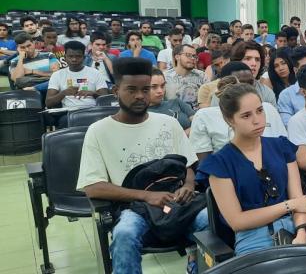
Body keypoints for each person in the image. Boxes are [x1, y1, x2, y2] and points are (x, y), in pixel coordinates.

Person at [75, 58, 207, 274]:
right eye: (132, 90)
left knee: (211, 221)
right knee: (125, 234)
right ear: (116, 90)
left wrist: (189, 185)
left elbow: (188, 166)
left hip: (177, 203)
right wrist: (146, 196)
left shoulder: (169, 123)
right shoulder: (99, 131)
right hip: (135, 208)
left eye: (145, 89)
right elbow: (93, 186)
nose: (140, 95)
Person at [196, 79, 306, 255]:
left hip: (295, 229)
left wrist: (301, 232)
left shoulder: (281, 147)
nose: (257, 120)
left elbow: (301, 203)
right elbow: (237, 221)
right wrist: (289, 205)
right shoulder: (219, 164)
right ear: (230, 119)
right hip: (252, 239)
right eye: (246, 115)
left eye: (260, 111)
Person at [190, 62, 286, 161]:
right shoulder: (205, 116)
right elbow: (204, 164)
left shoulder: (268, 108)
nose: (244, 87)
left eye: (250, 83)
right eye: (236, 83)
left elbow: (284, 151)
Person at [45, 41, 109, 125]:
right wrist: (64, 93)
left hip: (92, 111)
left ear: (84, 57)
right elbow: (48, 102)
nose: (74, 59)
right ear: (65, 57)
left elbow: (106, 99)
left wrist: (93, 93)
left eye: (78, 56)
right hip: (69, 114)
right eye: (70, 56)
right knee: (64, 121)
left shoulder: (95, 73)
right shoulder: (57, 75)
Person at [229, 41, 278, 107]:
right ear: (237, 62)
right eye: (248, 59)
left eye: (257, 60)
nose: (254, 63)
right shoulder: (223, 91)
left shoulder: (267, 93)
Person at [149, 68, 195, 133]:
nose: (160, 91)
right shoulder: (143, 115)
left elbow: (198, 123)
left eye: (162, 86)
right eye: (154, 87)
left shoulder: (176, 102)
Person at [164, 44, 206, 110]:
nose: (192, 58)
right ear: (177, 57)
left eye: (194, 56)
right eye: (188, 55)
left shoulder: (202, 76)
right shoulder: (165, 77)